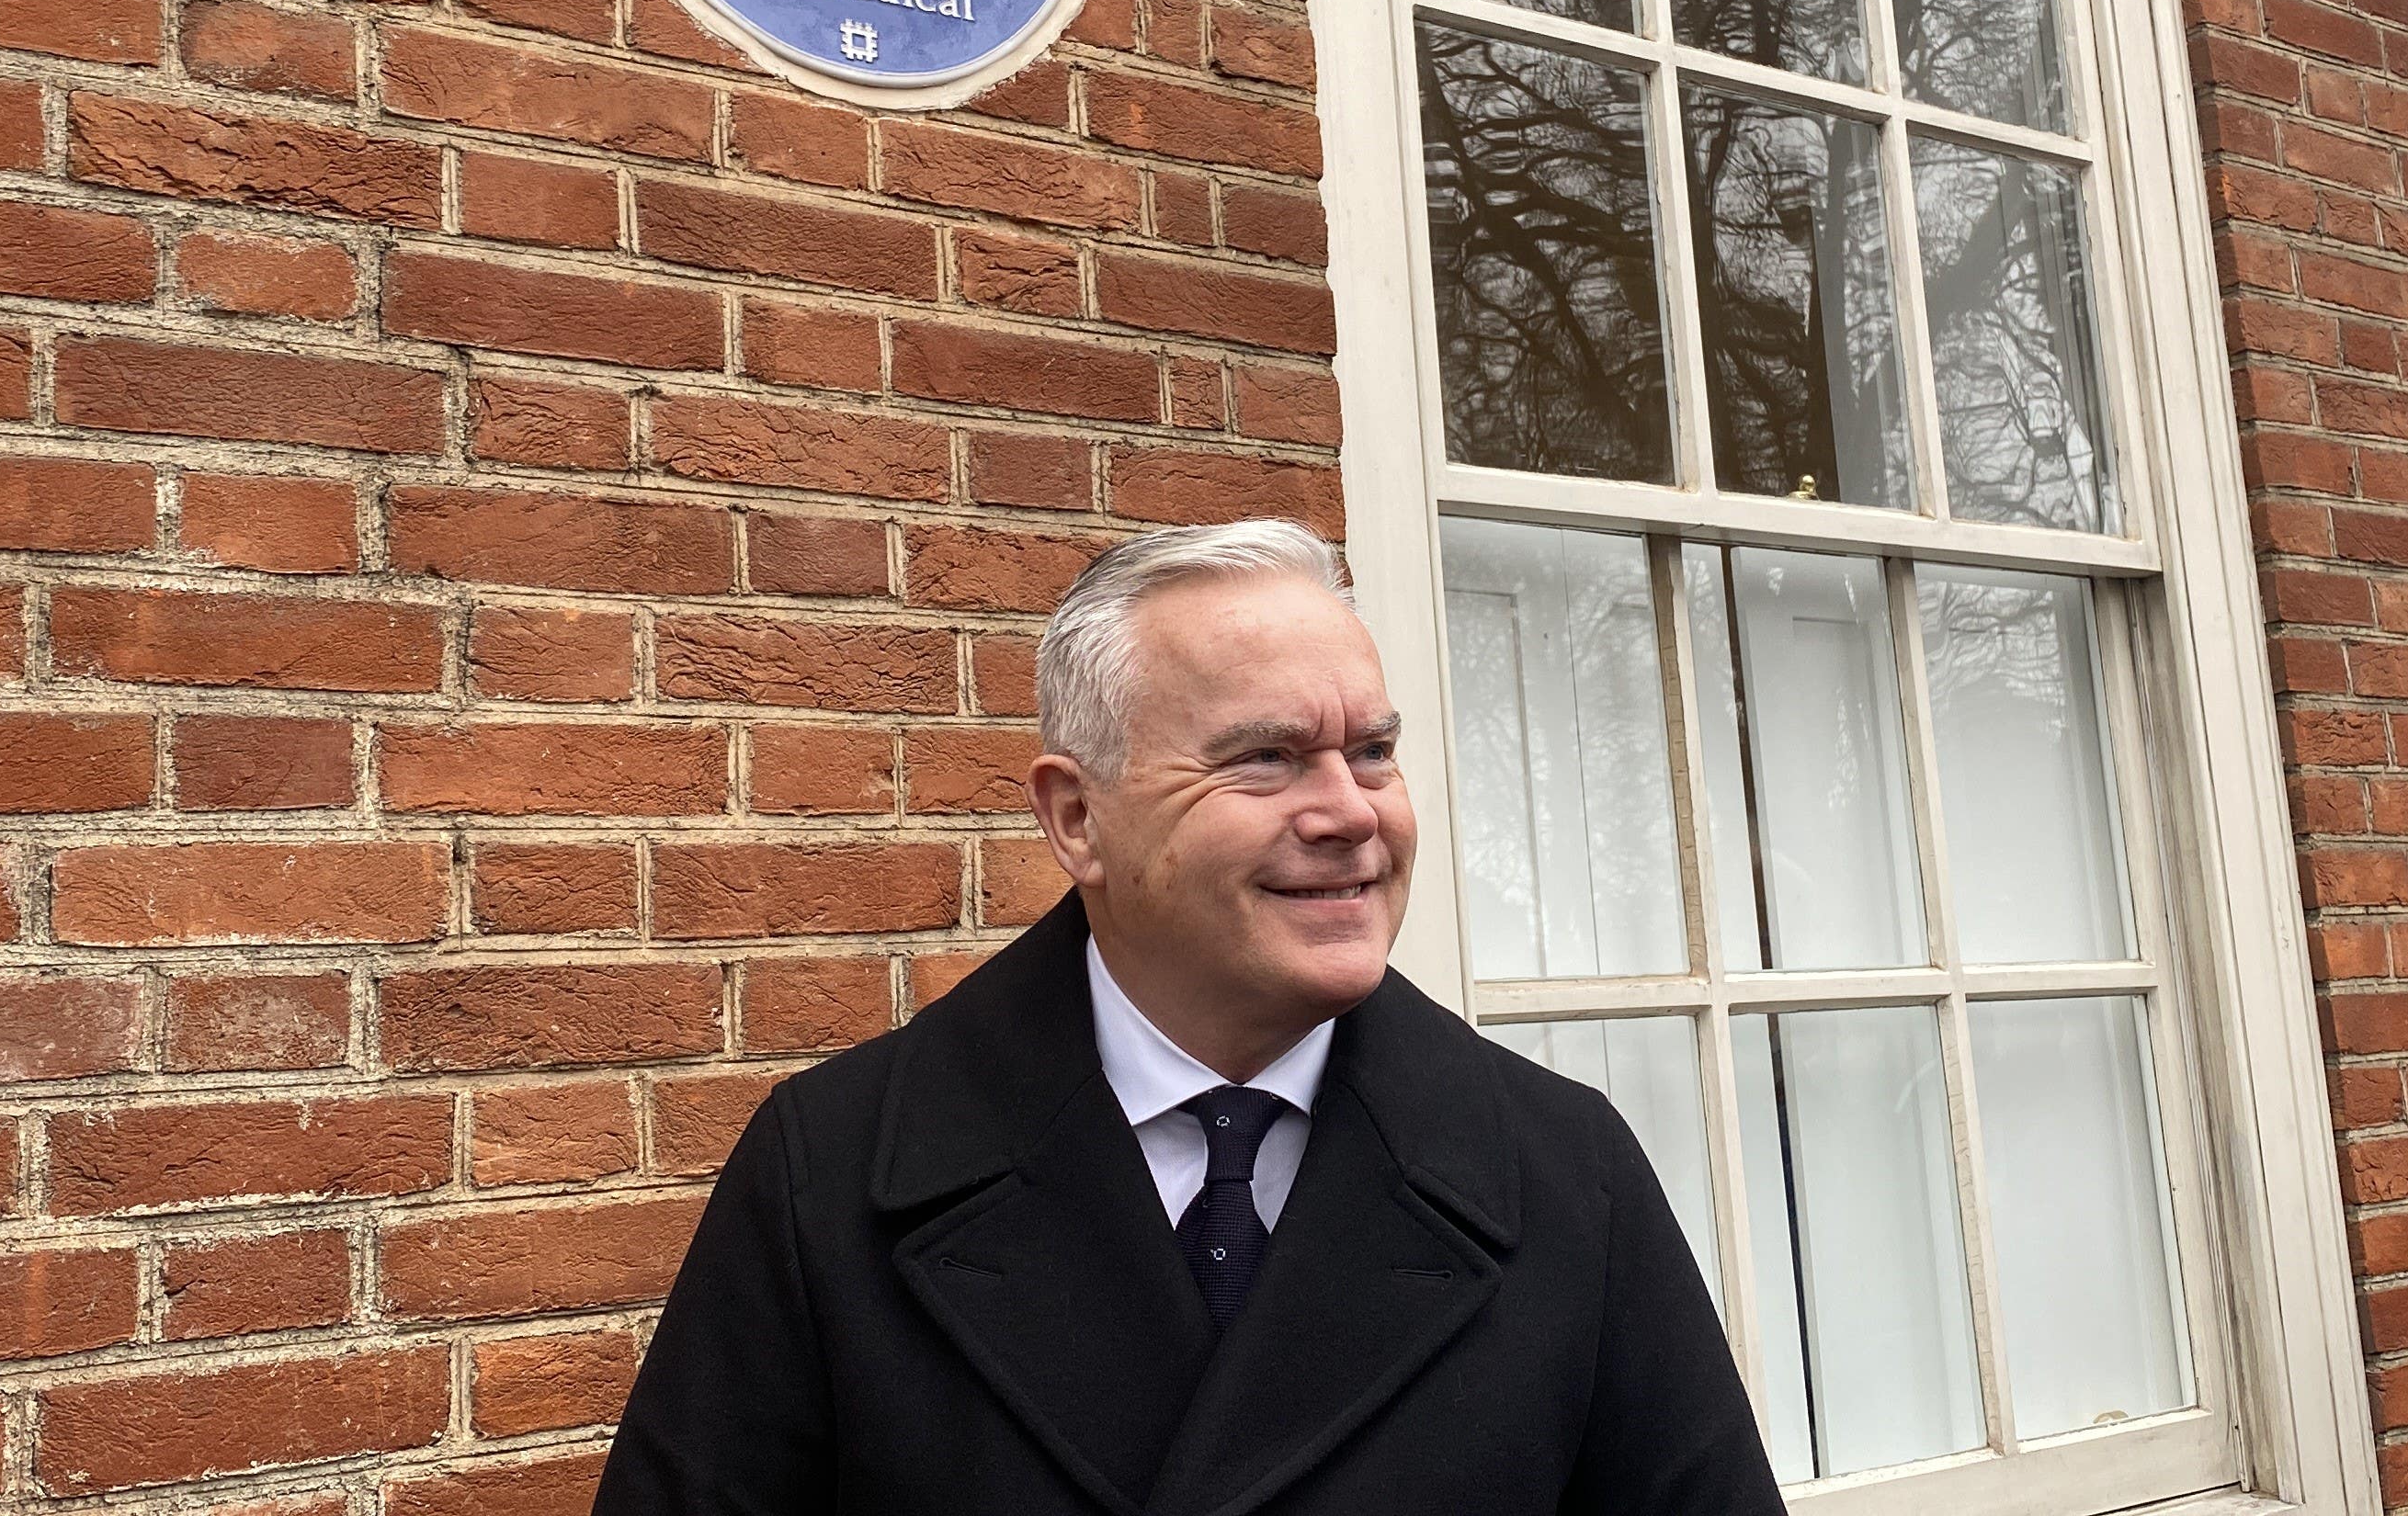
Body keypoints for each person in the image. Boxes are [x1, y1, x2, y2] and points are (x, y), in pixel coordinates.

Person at [594, 519, 1786, 1514]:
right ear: (1077, 821)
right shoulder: (831, 1179)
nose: (1350, 813)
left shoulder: (1565, 1175)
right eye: (1265, 759)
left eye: (1371, 753)